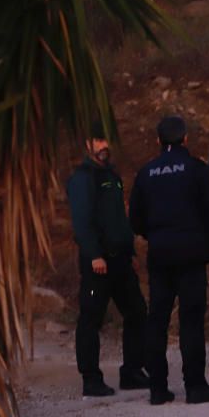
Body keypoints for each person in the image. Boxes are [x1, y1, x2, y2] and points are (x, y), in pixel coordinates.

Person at [129, 116, 209, 405]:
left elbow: (135, 220)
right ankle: (195, 386)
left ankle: (158, 389)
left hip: (160, 253)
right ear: (185, 139)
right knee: (191, 320)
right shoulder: (197, 169)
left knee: (157, 320)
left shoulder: (146, 173)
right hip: (192, 253)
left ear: (158, 142)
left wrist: (156, 234)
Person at [66, 122, 150, 397]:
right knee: (91, 318)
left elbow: (119, 220)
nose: (104, 146)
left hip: (120, 261)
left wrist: (130, 253)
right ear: (87, 144)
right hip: (98, 263)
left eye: (106, 141)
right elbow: (82, 221)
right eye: (98, 141)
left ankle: (132, 372)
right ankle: (90, 378)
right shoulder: (83, 177)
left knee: (137, 311)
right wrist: (93, 254)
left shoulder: (111, 176)